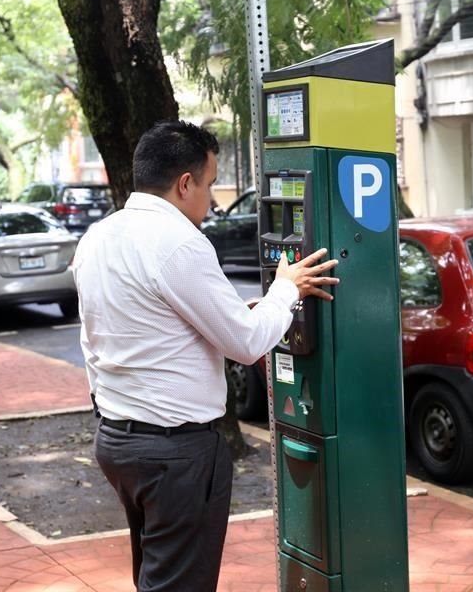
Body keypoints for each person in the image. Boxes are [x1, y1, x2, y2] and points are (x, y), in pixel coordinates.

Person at [71, 120, 338, 592]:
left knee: (157, 578)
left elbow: (111, 331)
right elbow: (247, 344)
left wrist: (245, 313)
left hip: (118, 441)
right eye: (210, 185)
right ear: (184, 183)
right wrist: (286, 290)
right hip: (175, 453)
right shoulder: (179, 243)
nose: (212, 201)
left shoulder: (98, 237)